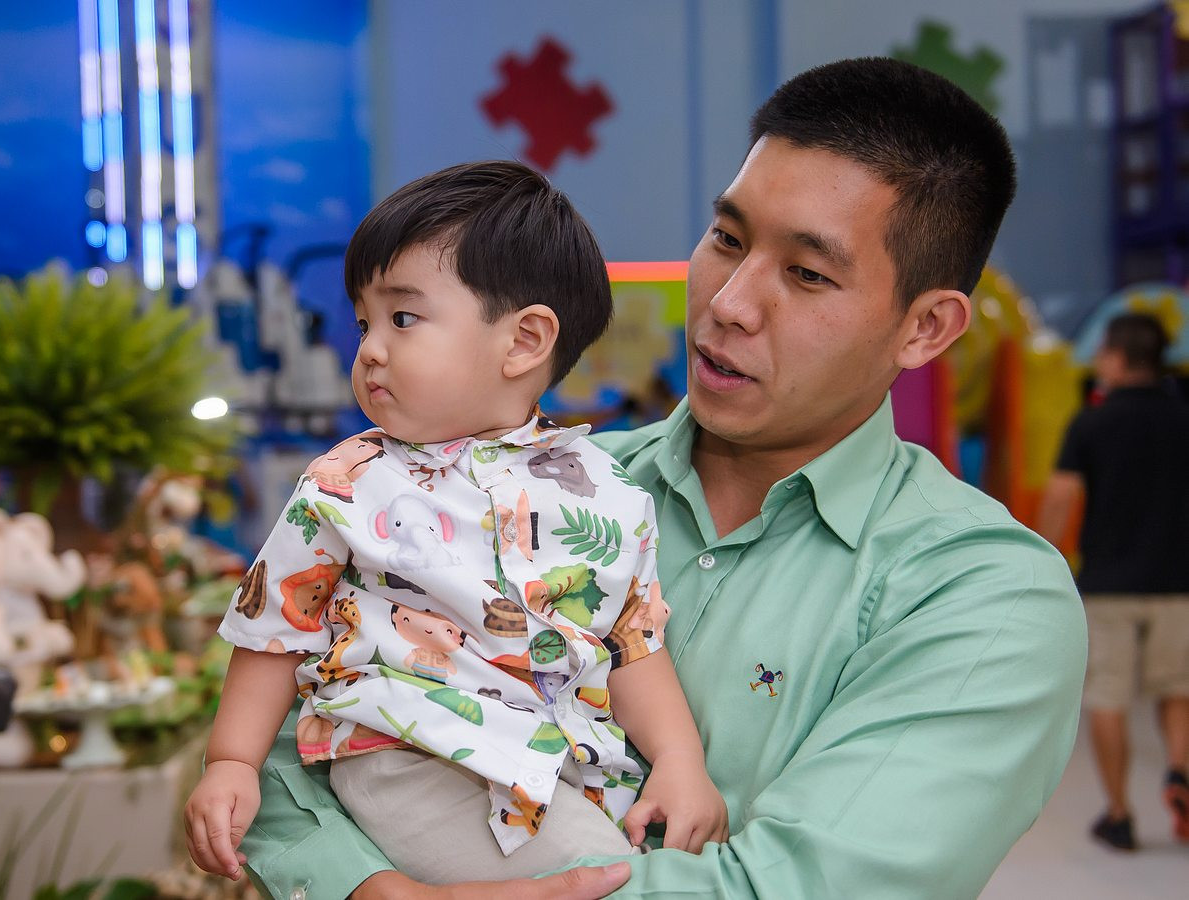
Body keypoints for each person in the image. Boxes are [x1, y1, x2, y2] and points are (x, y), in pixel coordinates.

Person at [235, 58, 1087, 900]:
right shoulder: (536, 485)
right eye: (727, 239)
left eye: (807, 274)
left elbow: (796, 885)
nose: (729, 303)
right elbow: (286, 739)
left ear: (925, 328)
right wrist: (366, 888)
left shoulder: (982, 597)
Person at [184, 161, 726, 886]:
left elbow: (631, 645)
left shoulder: (609, 492)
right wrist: (232, 761)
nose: (370, 348)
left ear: (525, 342)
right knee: (617, 880)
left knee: (646, 861)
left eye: (403, 319)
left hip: (556, 767)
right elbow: (274, 628)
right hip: (411, 754)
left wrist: (681, 762)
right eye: (365, 322)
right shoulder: (349, 479)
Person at [1039, 312, 1189, 850]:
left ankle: (1120, 814)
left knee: (1108, 696)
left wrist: (1043, 560)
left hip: (1109, 583)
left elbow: (1060, 497)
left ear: (1120, 359)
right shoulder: (1183, 416)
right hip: (1180, 581)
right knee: (1178, 689)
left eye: (1104, 352)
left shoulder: (1092, 421)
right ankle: (1179, 772)